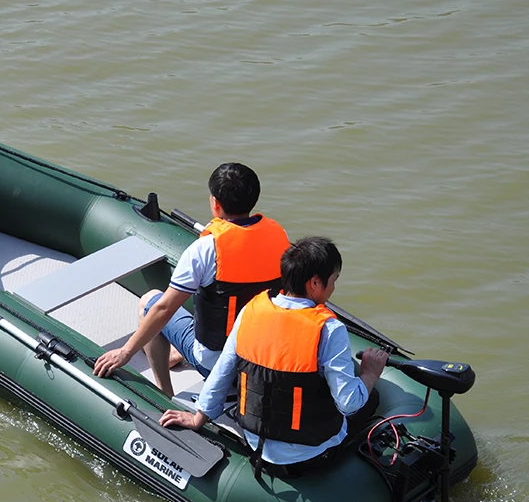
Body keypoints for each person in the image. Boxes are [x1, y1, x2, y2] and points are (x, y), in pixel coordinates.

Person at [159, 236, 389, 474]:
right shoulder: (330, 330)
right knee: (370, 399)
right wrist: (370, 374)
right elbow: (349, 403)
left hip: (255, 443)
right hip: (310, 456)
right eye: (333, 281)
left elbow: (223, 370)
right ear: (315, 283)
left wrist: (199, 418)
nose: (333, 288)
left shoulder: (252, 310)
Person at [93, 163, 289, 397]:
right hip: (264, 358)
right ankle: (178, 353)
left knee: (149, 303)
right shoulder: (279, 237)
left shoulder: (206, 249)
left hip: (220, 366)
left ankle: (165, 394)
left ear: (215, 204)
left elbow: (163, 309)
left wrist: (125, 351)